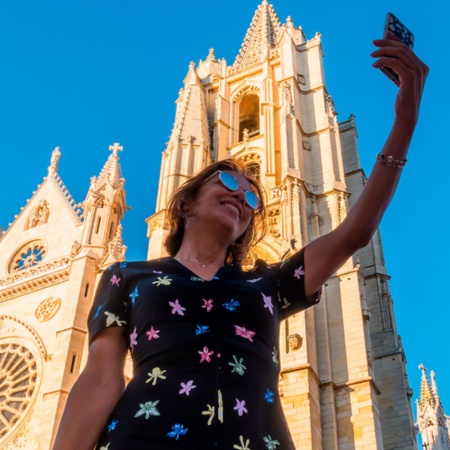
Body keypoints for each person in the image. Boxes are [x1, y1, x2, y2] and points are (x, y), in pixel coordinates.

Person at [53, 31, 428, 450]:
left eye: (252, 196)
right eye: (229, 180)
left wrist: (405, 120)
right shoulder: (128, 276)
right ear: (186, 203)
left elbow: (353, 233)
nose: (241, 194)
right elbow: (100, 378)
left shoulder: (267, 284)